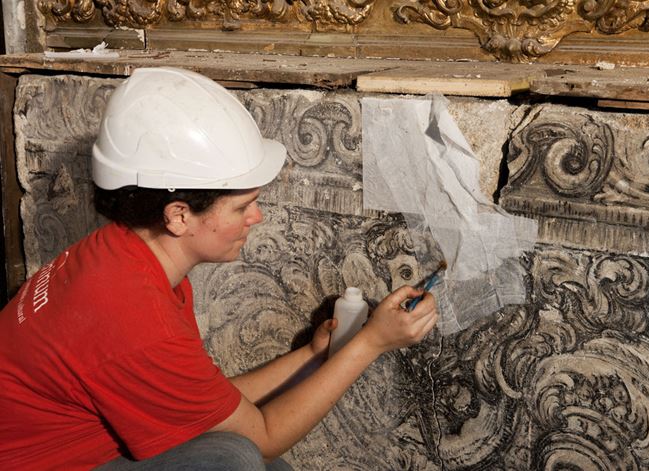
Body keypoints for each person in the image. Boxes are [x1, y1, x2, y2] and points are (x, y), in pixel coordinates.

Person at [0, 67, 439, 470]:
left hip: (70, 449)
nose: (257, 218)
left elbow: (212, 406)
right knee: (234, 459)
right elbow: (262, 436)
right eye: (243, 206)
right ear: (178, 216)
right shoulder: (135, 314)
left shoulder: (126, 258)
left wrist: (313, 355)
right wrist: (372, 344)